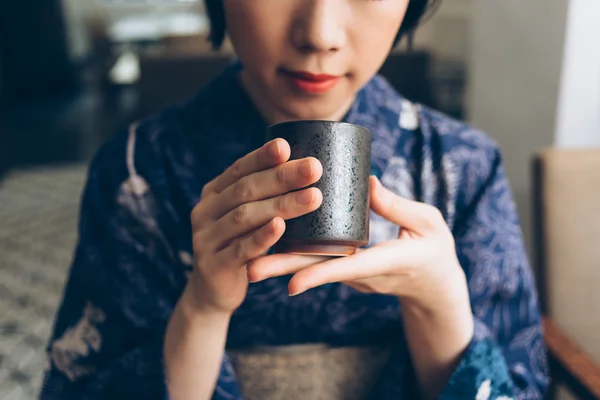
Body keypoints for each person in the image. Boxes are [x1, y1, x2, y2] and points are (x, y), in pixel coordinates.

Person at [40, 0, 549, 399]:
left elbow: (522, 385)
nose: (319, 35)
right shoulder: (137, 171)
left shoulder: (464, 167)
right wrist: (202, 309)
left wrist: (439, 305)